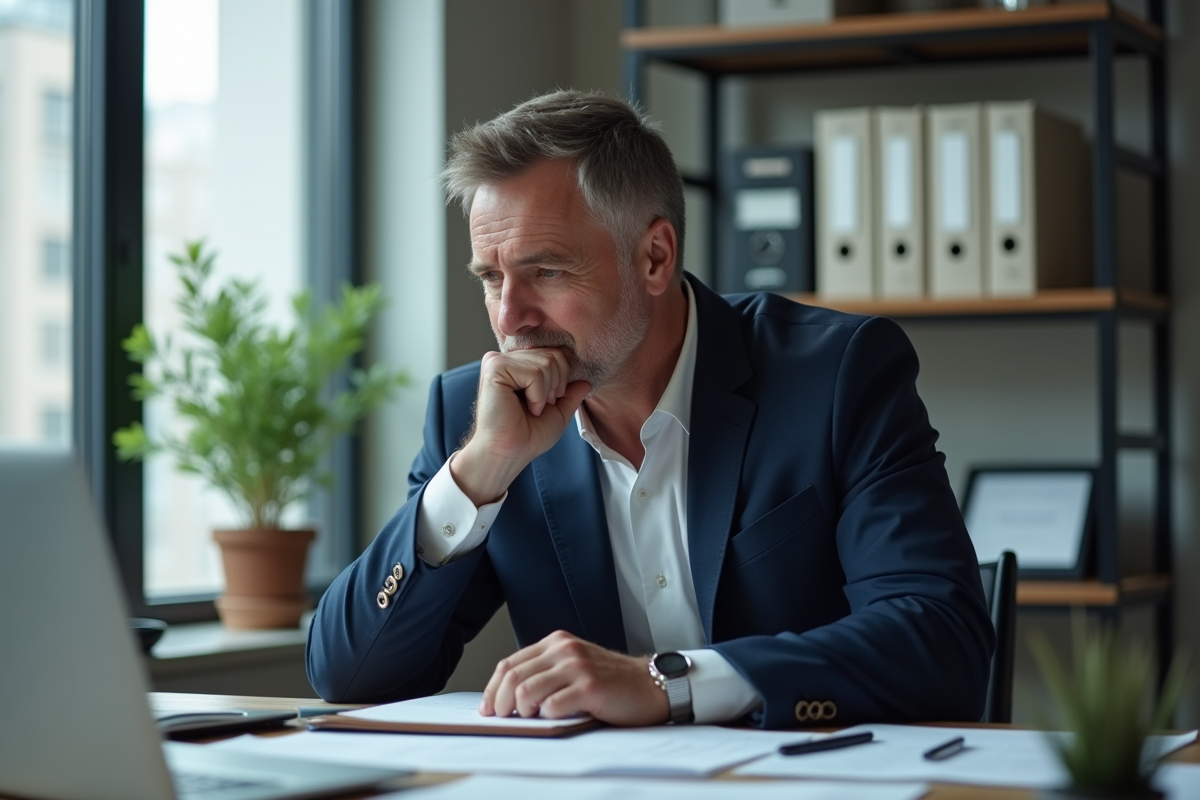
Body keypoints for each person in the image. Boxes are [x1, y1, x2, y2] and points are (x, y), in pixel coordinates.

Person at [307, 90, 994, 730]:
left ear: (655, 257)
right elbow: (350, 675)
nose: (509, 317)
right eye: (491, 277)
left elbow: (942, 637)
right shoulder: (478, 415)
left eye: (545, 271)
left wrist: (671, 682)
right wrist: (478, 474)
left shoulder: (836, 375)